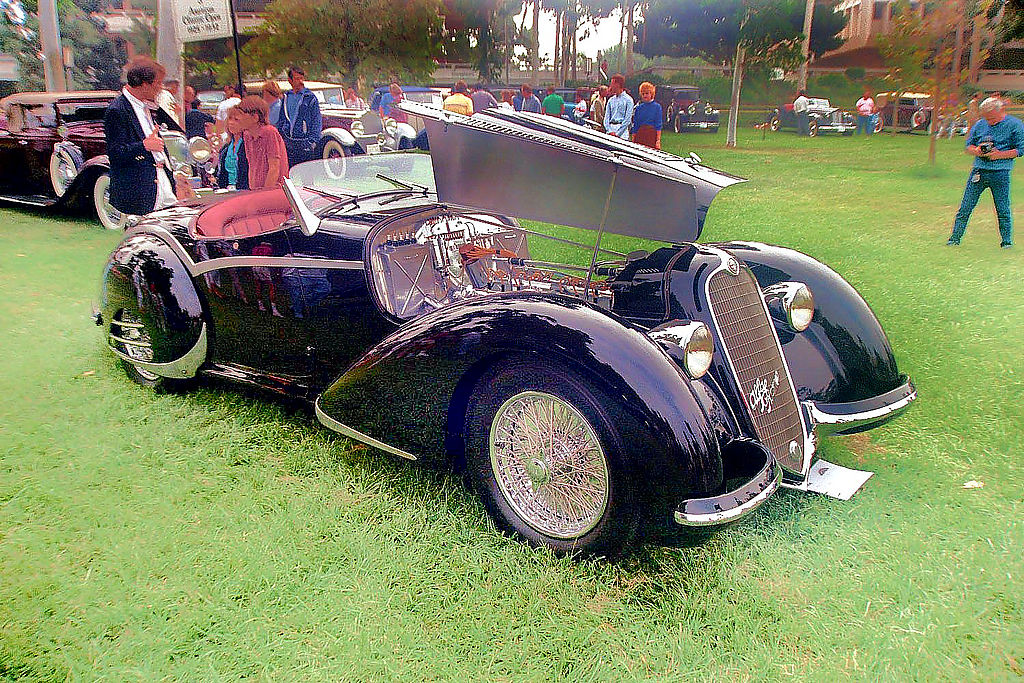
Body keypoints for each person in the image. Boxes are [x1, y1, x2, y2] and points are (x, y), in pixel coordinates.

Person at [104, 55, 186, 217]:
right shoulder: (117, 110)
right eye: (158, 83)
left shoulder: (150, 106)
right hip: (139, 188)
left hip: (162, 181)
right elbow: (115, 153)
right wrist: (144, 146)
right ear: (143, 84)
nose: (161, 88)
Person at [947, 97, 1023, 249]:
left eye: (992, 118)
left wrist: (998, 155)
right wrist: (977, 151)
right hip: (979, 171)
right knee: (966, 206)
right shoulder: (980, 125)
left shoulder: (1015, 125)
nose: (990, 122)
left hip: (1000, 172)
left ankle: (1006, 242)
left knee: (1002, 208)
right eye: (987, 118)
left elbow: (1020, 150)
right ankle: (954, 239)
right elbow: (969, 146)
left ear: (1001, 111)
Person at [235, 95, 289, 189]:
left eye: (241, 114)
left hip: (274, 191)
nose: (237, 118)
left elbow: (274, 168)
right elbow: (252, 167)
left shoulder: (270, 132)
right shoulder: (247, 135)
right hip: (257, 190)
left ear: (255, 117)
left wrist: (264, 194)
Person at [277, 65, 322, 167]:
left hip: (305, 142)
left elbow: (317, 119)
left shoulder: (310, 98)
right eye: (297, 79)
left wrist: (312, 141)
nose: (301, 81)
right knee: (288, 175)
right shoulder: (286, 97)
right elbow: (282, 118)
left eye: (302, 78)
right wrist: (282, 137)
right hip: (288, 143)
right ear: (290, 80)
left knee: (307, 176)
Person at [216, 106, 249, 190]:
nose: (231, 123)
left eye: (236, 120)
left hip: (244, 191)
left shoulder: (248, 145)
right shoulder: (225, 148)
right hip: (227, 191)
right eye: (230, 119)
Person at [630, 82, 662, 149]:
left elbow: (658, 125)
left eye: (647, 93)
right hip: (640, 135)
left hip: (651, 135)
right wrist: (633, 139)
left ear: (651, 94)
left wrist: (658, 141)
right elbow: (635, 125)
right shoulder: (638, 108)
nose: (645, 96)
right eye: (643, 94)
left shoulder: (657, 107)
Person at [603, 74, 634, 139]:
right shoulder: (610, 100)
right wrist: (609, 130)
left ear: (618, 84)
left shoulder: (628, 100)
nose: (610, 86)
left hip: (622, 132)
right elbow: (606, 118)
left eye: (612, 84)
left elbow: (627, 119)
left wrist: (618, 134)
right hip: (610, 130)